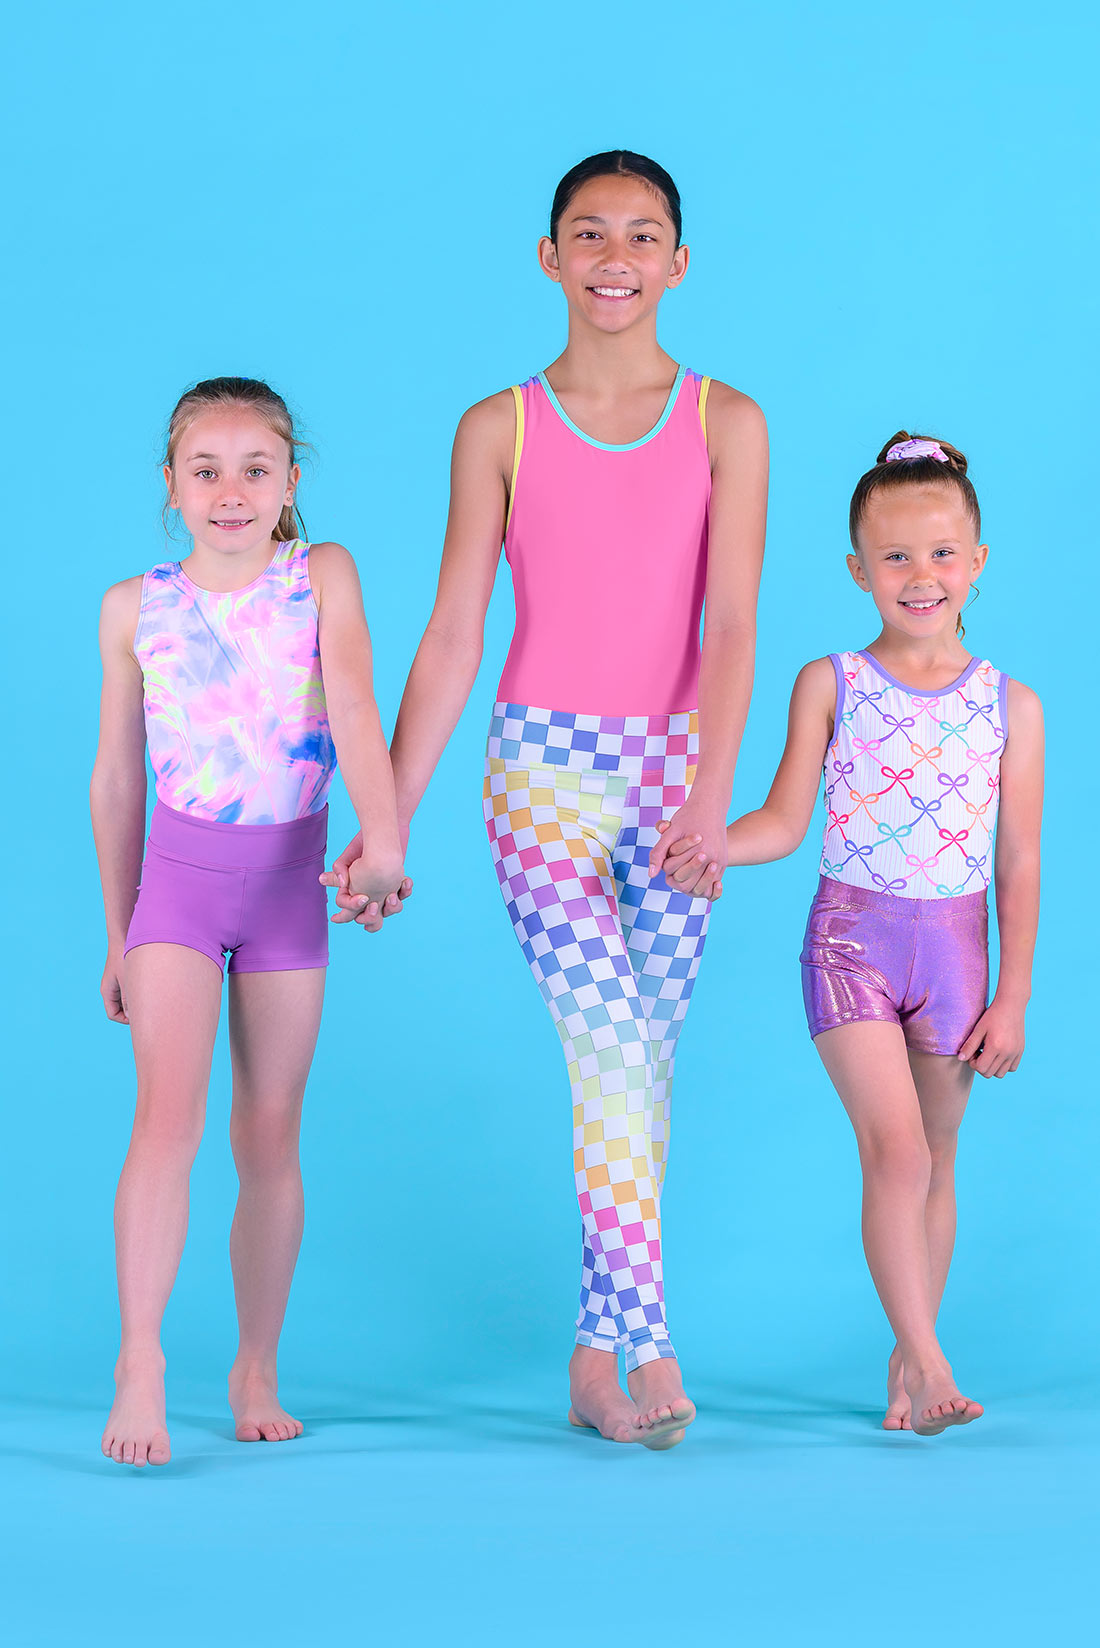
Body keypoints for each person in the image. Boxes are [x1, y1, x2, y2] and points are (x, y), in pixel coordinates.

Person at [325, 152, 768, 1448]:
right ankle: (652, 1338)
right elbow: (454, 631)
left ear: (677, 262)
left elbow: (731, 625)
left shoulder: (728, 421)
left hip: (676, 779)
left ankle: (589, 1358)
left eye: (640, 235)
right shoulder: (499, 427)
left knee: (642, 1070)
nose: (613, 256)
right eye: (588, 233)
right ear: (549, 256)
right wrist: (389, 819)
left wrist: (711, 799)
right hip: (541, 778)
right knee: (612, 1053)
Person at [660, 432, 1043, 1435]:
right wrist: (714, 845)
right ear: (856, 569)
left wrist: (1012, 994)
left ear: (977, 561)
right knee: (896, 1151)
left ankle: (907, 1362)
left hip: (957, 953)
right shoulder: (830, 681)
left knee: (937, 1157)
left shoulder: (1012, 706)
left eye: (942, 554)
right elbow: (785, 821)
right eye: (894, 556)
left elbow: (1017, 862)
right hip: (851, 943)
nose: (920, 576)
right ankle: (930, 1358)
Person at [91, 377, 407, 1466]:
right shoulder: (134, 606)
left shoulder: (322, 575)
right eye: (206, 470)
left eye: (254, 469)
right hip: (176, 892)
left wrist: (383, 835)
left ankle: (255, 1365)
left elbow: (354, 703)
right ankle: (140, 1361)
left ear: (290, 481)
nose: (231, 491)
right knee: (165, 1123)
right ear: (172, 485)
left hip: (286, 890)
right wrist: (119, 930)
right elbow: (117, 778)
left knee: (269, 1132)